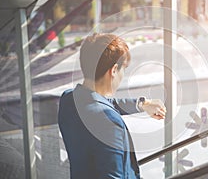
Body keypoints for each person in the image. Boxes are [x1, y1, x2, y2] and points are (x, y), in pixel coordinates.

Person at [58, 33, 166, 179]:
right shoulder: (108, 121)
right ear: (114, 70)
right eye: (123, 70)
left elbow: (102, 103)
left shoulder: (69, 99)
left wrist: (142, 104)